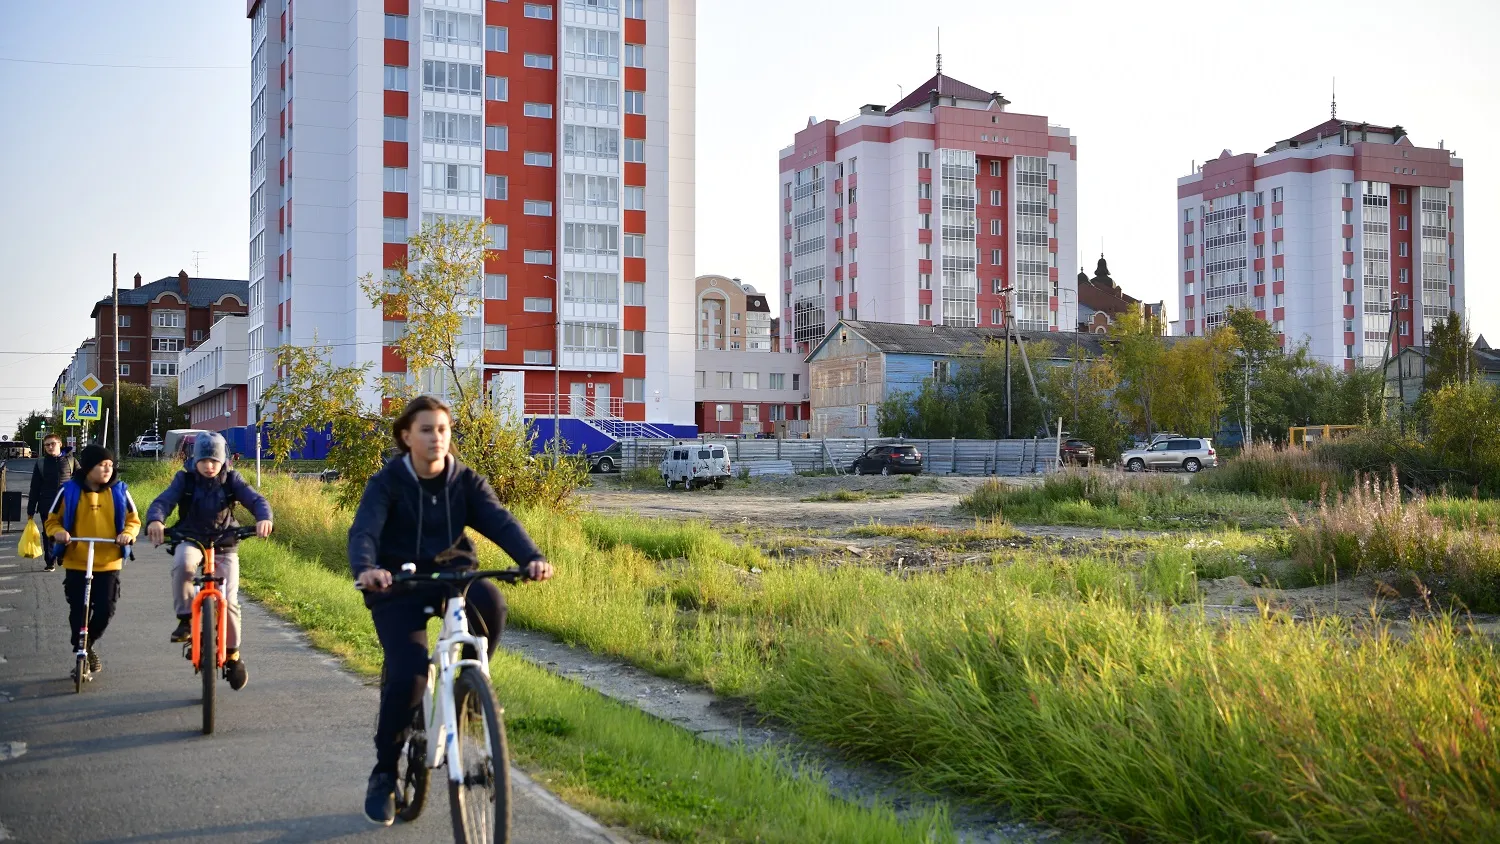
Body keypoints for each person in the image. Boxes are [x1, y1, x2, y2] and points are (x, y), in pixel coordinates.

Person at [348, 395, 554, 826]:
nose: (436, 438)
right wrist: (367, 569)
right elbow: (365, 529)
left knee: (492, 603)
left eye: (443, 430)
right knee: (408, 674)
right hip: (397, 583)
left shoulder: (465, 481)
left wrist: (530, 557)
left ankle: (468, 692)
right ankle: (385, 773)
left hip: (452, 575)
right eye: (426, 429)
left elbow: (499, 520)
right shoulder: (387, 482)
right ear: (407, 436)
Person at [144, 432, 272, 692]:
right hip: (192, 538)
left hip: (225, 542)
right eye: (204, 460)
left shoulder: (232, 480)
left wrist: (263, 518)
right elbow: (164, 501)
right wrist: (156, 520)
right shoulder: (185, 480)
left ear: (223, 461)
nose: (209, 465)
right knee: (183, 564)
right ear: (195, 460)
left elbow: (255, 499)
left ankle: (233, 656)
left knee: (230, 600)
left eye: (215, 460)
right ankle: (185, 618)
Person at [43, 444, 140, 676]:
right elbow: (51, 520)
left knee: (106, 609)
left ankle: (87, 644)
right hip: (78, 560)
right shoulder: (68, 491)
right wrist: (57, 532)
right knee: (78, 609)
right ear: (88, 467)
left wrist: (128, 534)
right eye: (101, 465)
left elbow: (133, 520)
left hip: (109, 562)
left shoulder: (119, 490)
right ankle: (81, 651)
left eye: (109, 465)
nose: (107, 469)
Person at [29, 433, 78, 571]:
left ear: (60, 444)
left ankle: (62, 554)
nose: (50, 447)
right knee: (48, 533)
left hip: (67, 504)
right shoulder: (41, 463)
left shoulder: (71, 460)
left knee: (67, 531)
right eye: (47, 445)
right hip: (47, 504)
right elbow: (35, 487)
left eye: (53, 444)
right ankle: (50, 561)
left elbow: (82, 479)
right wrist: (30, 509)